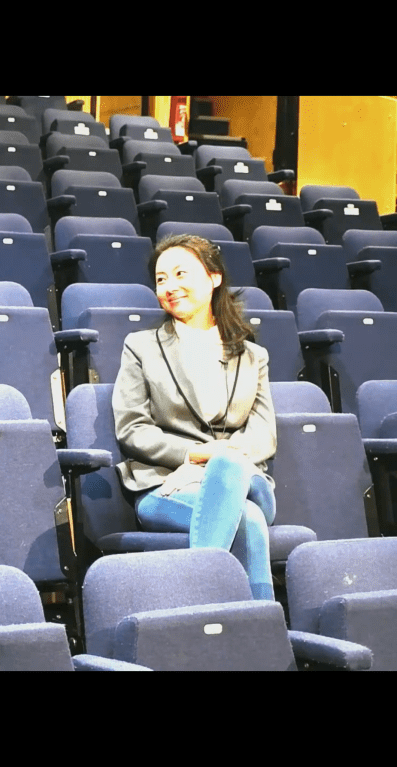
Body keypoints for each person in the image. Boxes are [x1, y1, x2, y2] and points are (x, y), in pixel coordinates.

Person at [112, 234, 277, 600]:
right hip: (167, 485)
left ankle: (200, 604)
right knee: (248, 519)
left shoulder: (253, 356)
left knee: (228, 468)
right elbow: (132, 429)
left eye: (180, 274)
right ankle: (261, 625)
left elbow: (264, 433)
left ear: (214, 277)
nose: (169, 287)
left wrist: (222, 458)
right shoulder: (141, 347)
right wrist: (196, 454)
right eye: (161, 279)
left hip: (243, 479)